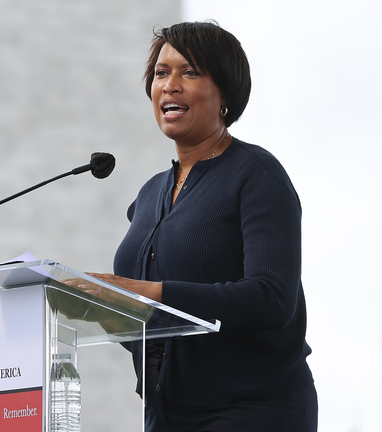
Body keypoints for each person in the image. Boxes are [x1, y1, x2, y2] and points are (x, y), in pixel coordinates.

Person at [86, 21, 317, 431]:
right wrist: (94, 303)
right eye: (161, 73)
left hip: (253, 411)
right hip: (165, 412)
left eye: (189, 72)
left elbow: (272, 299)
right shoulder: (148, 196)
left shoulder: (257, 176)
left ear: (224, 93)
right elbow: (145, 323)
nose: (169, 84)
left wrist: (150, 294)